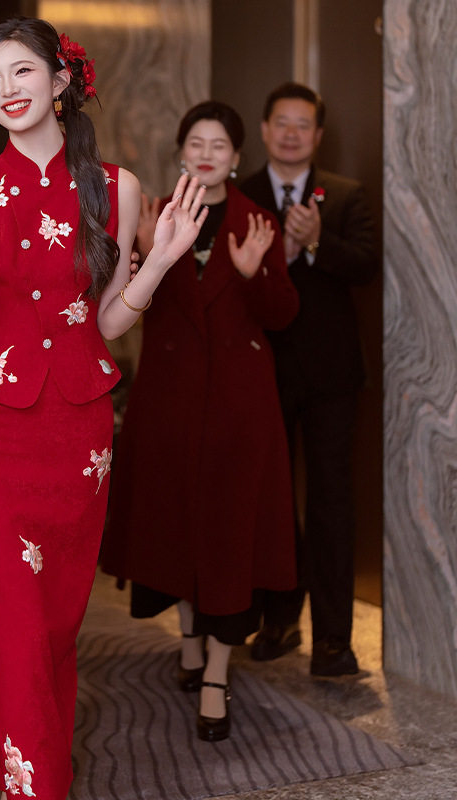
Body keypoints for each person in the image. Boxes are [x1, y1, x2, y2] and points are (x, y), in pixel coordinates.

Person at [0, 16, 207, 799]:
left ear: (60, 80)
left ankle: (19, 771)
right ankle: (40, 788)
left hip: (78, 432)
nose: (7, 90)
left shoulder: (117, 189)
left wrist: (160, 261)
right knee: (11, 619)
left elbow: (107, 322)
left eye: (21, 71)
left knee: (54, 622)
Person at [100, 101, 299, 742]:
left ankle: (216, 673)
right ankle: (189, 639)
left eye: (220, 145)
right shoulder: (154, 214)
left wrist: (252, 275)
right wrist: (143, 256)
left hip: (241, 408)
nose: (207, 153)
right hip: (170, 402)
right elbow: (124, 305)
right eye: (197, 142)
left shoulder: (258, 221)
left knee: (229, 536)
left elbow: (282, 314)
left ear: (236, 157)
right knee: (177, 525)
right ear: (182, 151)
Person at [239, 82, 379, 676]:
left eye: (303, 124)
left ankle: (334, 640)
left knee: (331, 502)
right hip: (262, 370)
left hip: (331, 377)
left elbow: (367, 266)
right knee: (269, 502)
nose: (292, 133)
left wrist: (317, 241)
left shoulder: (345, 195)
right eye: (282, 122)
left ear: (318, 135)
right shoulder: (241, 196)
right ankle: (279, 621)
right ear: (265, 129)